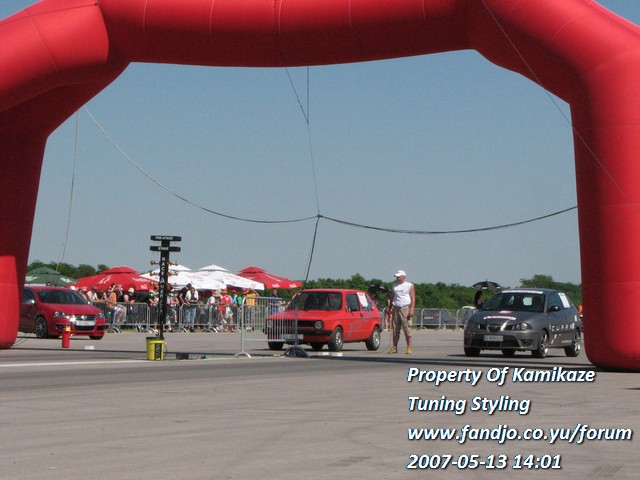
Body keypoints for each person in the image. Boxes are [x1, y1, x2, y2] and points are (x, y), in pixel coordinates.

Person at [388, 270, 415, 355]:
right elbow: (392, 296)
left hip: (405, 308)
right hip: (396, 307)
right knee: (395, 329)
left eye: (398, 276)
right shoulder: (394, 285)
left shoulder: (409, 285)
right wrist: (390, 307)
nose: (397, 278)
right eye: (396, 276)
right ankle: (394, 347)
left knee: (407, 328)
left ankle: (409, 347)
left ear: (403, 276)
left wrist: (411, 309)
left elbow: (413, 298)